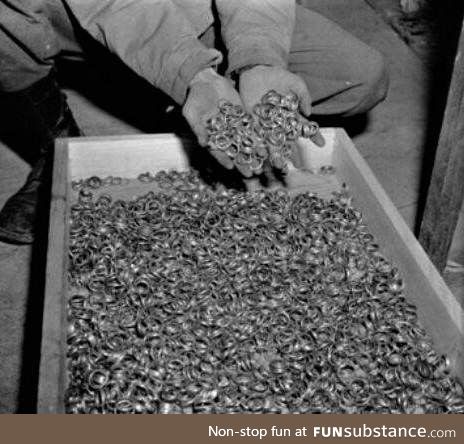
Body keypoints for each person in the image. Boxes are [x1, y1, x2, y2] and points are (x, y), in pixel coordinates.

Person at [0, 0, 388, 244]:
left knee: (358, 75)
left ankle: (186, 99)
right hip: (73, 17)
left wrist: (259, 59)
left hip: (192, 12)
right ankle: (53, 148)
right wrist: (193, 75)